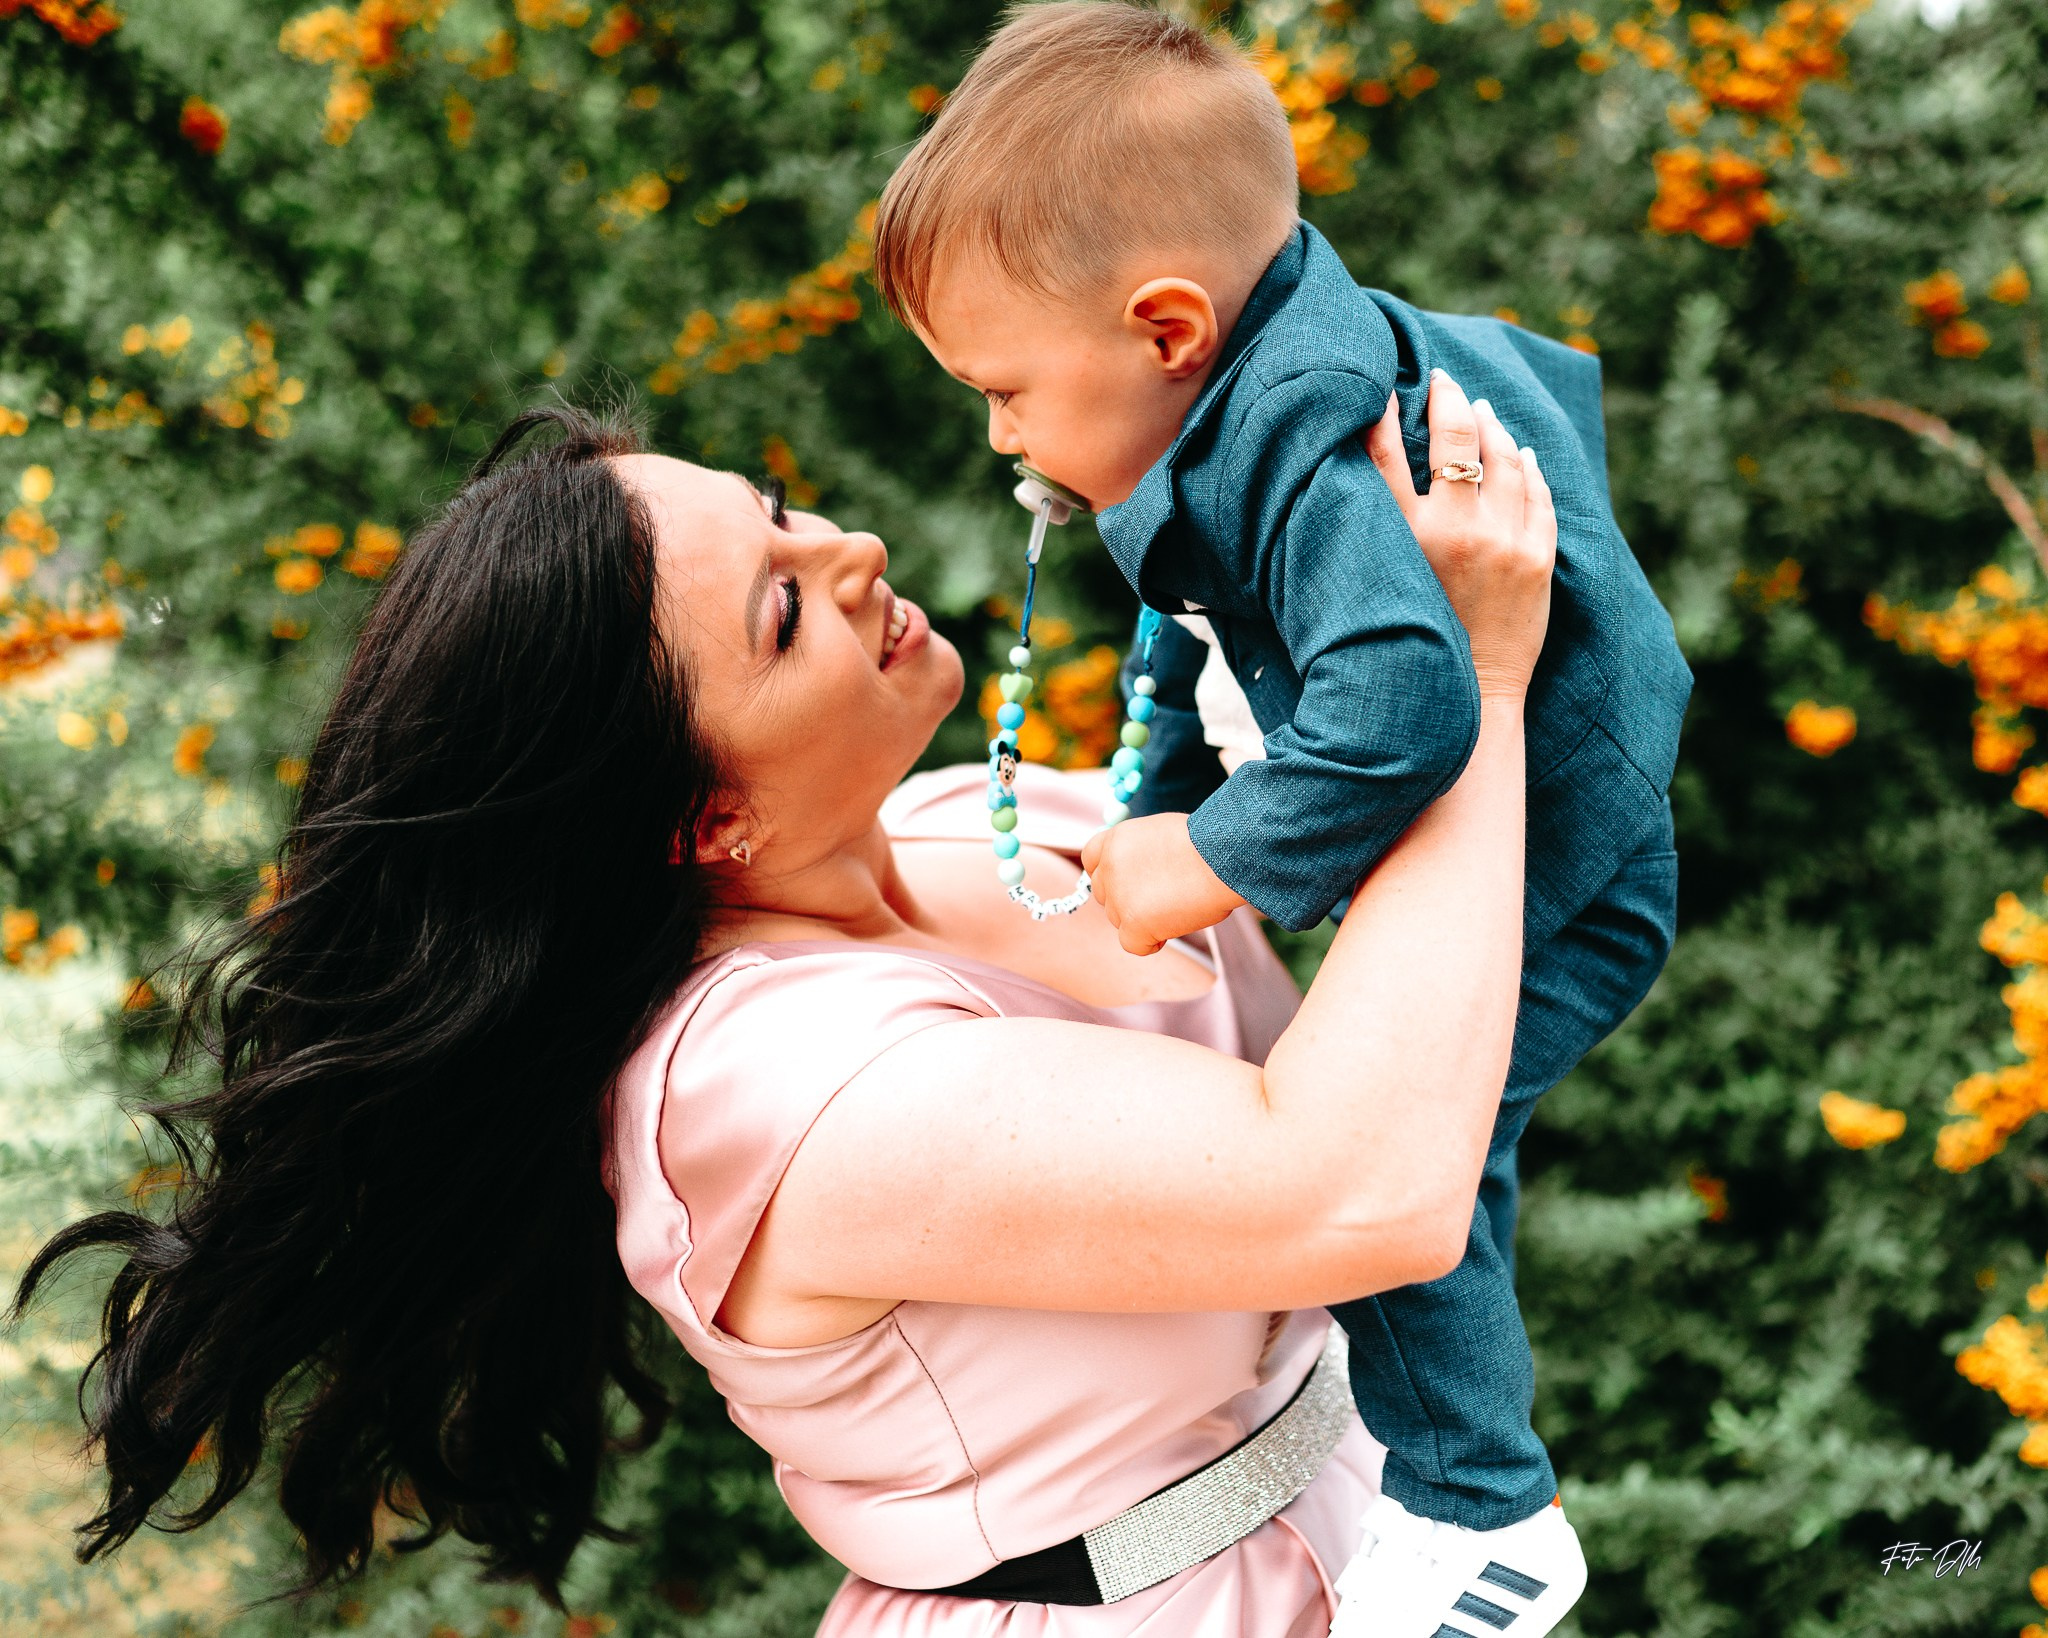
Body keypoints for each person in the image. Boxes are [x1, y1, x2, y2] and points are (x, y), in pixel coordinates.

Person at [13, 386, 1551, 1637]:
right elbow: (1367, 1181)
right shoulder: (769, 1090)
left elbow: (1380, 933)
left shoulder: (966, 820)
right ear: (697, 818)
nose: (856, 550)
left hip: (1369, 1526)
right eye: (780, 611)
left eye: (782, 514)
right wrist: (1469, 682)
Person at [869, 5, 1691, 1632]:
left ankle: (1486, 1520)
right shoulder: (1223, 404)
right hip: (1522, 848)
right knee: (1389, 1136)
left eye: (1007, 388)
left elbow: (1405, 704)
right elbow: (1188, 621)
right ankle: (1442, 1480)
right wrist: (1157, 795)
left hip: (1571, 870)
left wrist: (1207, 854)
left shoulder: (1314, 455)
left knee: (1409, 1156)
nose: (999, 434)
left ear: (1165, 324)